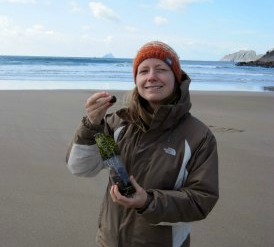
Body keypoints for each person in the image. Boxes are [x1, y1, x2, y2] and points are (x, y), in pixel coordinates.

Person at [66, 41, 219, 247]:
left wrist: (147, 202)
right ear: (136, 79)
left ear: (176, 76)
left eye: (161, 69)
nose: (151, 76)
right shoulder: (118, 124)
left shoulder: (198, 136)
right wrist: (91, 125)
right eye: (143, 70)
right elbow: (82, 168)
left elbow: (201, 201)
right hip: (109, 241)